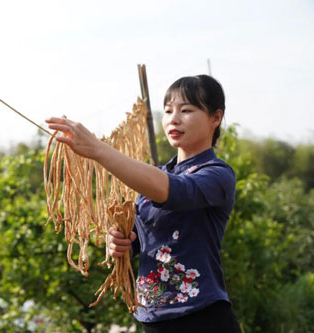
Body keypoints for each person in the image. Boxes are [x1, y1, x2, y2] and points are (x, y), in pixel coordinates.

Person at [46, 74, 242, 333]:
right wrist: (120, 242)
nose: (174, 118)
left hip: (202, 316)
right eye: (169, 110)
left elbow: (174, 192)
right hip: (153, 318)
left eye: (186, 110)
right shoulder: (155, 177)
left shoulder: (217, 174)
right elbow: (140, 242)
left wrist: (99, 149)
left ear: (215, 118)